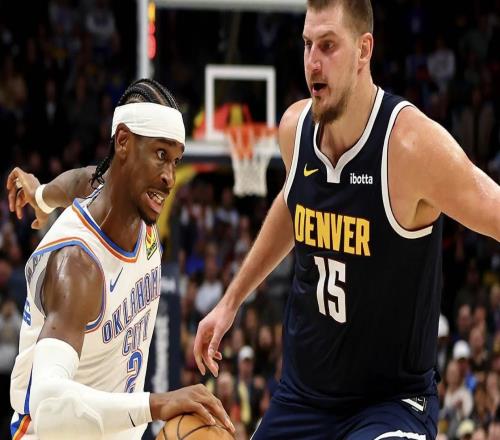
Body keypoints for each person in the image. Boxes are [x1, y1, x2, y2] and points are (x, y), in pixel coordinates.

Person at [192, 0, 500, 439]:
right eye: (307, 45)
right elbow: (293, 204)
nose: (313, 63)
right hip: (302, 398)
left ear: (363, 50)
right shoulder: (294, 128)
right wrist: (230, 302)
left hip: (390, 405)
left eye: (328, 45)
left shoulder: (409, 146)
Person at [7, 78, 234, 439]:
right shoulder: (77, 266)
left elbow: (81, 180)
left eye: (176, 161)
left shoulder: (123, 199)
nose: (170, 177)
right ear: (124, 142)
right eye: (161, 155)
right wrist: (157, 404)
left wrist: (42, 196)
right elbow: (49, 406)